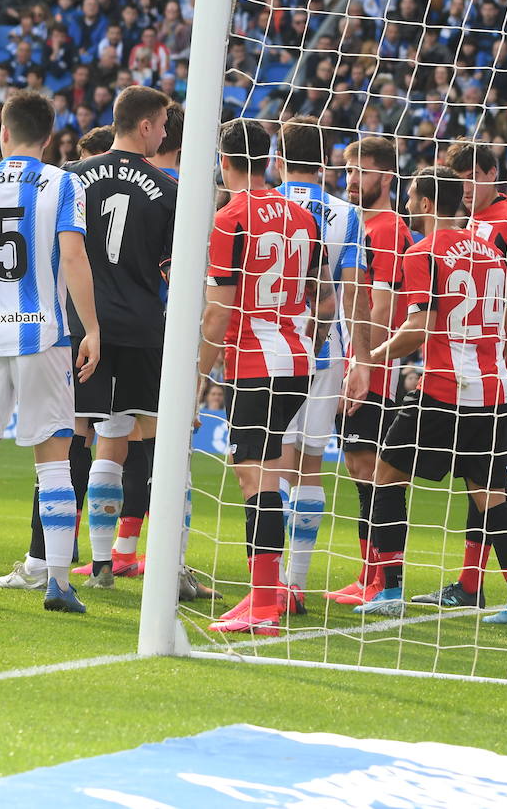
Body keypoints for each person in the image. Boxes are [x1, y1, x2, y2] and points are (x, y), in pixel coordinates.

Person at [0, 90, 100, 613]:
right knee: (53, 459)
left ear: (1, 134)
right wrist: (91, 329)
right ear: (50, 138)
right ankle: (57, 582)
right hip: (45, 337)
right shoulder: (63, 182)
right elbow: (74, 257)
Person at [366, 166, 507, 623]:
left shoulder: (421, 252)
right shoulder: (492, 253)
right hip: (494, 388)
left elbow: (417, 328)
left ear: (423, 204)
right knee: (490, 494)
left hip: (443, 388)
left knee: (386, 476)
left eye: (411, 196)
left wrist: (372, 356)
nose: (406, 203)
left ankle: (391, 590)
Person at [412, 139, 507, 610]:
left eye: (473, 177)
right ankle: (483, 580)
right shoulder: (472, 224)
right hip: (476, 369)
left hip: (505, 371)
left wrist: (498, 346)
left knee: (488, 480)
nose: (467, 188)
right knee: (481, 478)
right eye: (460, 182)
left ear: (492, 172)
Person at [201, 119, 324, 636]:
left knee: (255, 476)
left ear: (225, 162)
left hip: (256, 360)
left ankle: (266, 606)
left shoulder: (230, 218)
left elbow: (217, 312)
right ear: (268, 158)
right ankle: (264, 596)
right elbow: (316, 295)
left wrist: (196, 378)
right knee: (265, 469)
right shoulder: (303, 216)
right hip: (297, 358)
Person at [51, 85, 177, 590]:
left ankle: (54, 556)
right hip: (144, 326)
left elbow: (62, 254)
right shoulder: (168, 190)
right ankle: (118, 559)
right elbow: (173, 271)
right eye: (163, 123)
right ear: (144, 125)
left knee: (73, 435)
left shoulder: (73, 178)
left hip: (84, 327)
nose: (166, 132)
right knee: (133, 433)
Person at [272, 116, 369, 601]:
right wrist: (362, 359)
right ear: (326, 164)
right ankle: (297, 582)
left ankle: (268, 582)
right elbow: (354, 294)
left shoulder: (261, 205)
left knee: (268, 464)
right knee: (309, 467)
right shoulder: (347, 214)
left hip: (267, 350)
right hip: (325, 351)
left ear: (279, 160)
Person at [330, 136, 412, 607]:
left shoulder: (386, 229)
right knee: (360, 470)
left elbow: (381, 308)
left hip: (372, 368)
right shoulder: (359, 223)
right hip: (354, 362)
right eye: (348, 171)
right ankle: (370, 575)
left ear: (386, 176)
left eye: (361, 171)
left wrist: (361, 364)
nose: (352, 180)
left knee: (374, 471)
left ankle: (385, 577)